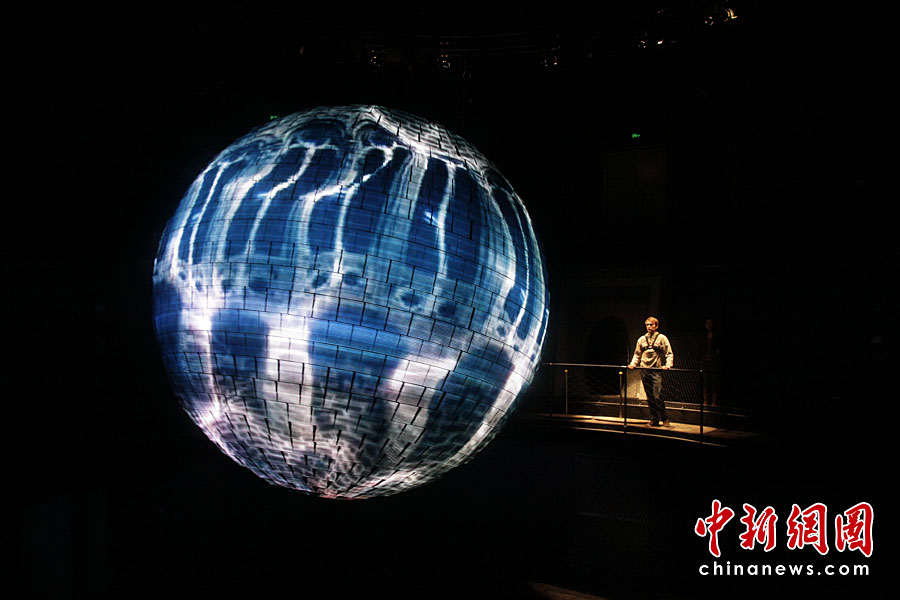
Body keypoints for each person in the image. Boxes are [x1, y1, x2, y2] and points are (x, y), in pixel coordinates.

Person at [628, 316, 674, 427]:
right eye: (647, 325)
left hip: (656, 371)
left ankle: (664, 418)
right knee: (649, 396)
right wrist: (633, 364)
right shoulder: (641, 339)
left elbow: (669, 353)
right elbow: (637, 354)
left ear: (656, 326)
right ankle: (654, 419)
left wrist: (668, 365)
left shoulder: (661, 338)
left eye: (651, 325)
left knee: (657, 395)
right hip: (645, 370)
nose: (649, 327)